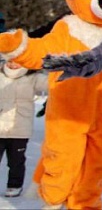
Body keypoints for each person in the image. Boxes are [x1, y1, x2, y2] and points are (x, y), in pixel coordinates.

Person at [0, 60, 48, 197]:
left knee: (16, 160)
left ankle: (14, 185)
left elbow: (52, 83)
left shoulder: (32, 77)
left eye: (18, 62)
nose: (13, 64)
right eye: (10, 61)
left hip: (20, 126)